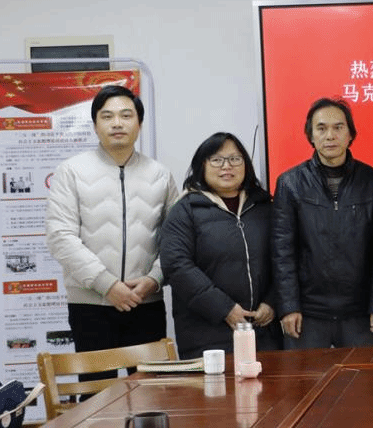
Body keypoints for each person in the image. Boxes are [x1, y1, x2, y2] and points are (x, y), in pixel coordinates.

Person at [46, 85, 178, 376]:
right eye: (107, 116)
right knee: (97, 394)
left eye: (126, 115)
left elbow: (176, 241)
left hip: (145, 301)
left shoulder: (160, 175)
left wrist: (154, 279)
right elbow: (60, 236)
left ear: (139, 123)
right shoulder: (71, 171)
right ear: (95, 125)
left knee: (151, 391)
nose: (117, 123)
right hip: (91, 304)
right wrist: (107, 284)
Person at [272, 98, 373, 348]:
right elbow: (283, 252)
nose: (330, 136)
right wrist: (289, 306)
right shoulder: (290, 184)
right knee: (306, 375)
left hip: (358, 311)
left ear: (350, 134)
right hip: (308, 312)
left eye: (338, 127)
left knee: (360, 374)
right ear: (311, 136)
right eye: (321, 128)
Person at [160, 132, 281, 359]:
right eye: (216, 160)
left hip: (264, 332)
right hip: (207, 335)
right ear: (202, 166)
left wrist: (272, 302)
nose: (227, 166)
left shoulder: (265, 206)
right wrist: (225, 309)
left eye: (235, 159)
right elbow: (176, 265)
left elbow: (284, 258)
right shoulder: (185, 210)